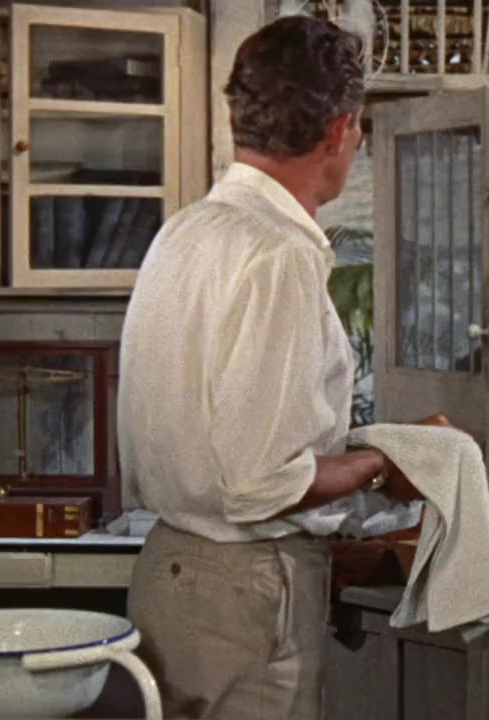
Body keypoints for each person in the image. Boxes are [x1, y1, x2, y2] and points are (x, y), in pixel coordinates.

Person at [118, 17, 416, 718]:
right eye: (360, 127)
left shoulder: (185, 231)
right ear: (340, 130)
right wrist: (380, 461)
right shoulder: (278, 253)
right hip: (245, 591)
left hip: (168, 573)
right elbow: (259, 482)